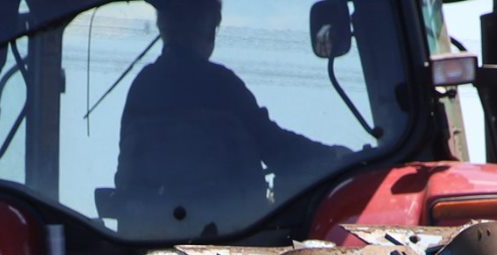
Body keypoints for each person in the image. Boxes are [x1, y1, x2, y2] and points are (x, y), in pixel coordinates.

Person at [114, 0, 347, 236]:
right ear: (207, 28)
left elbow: (128, 176)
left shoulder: (143, 88)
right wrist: (336, 157)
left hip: (151, 239)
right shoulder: (219, 84)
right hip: (234, 238)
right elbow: (276, 148)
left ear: (163, 28)